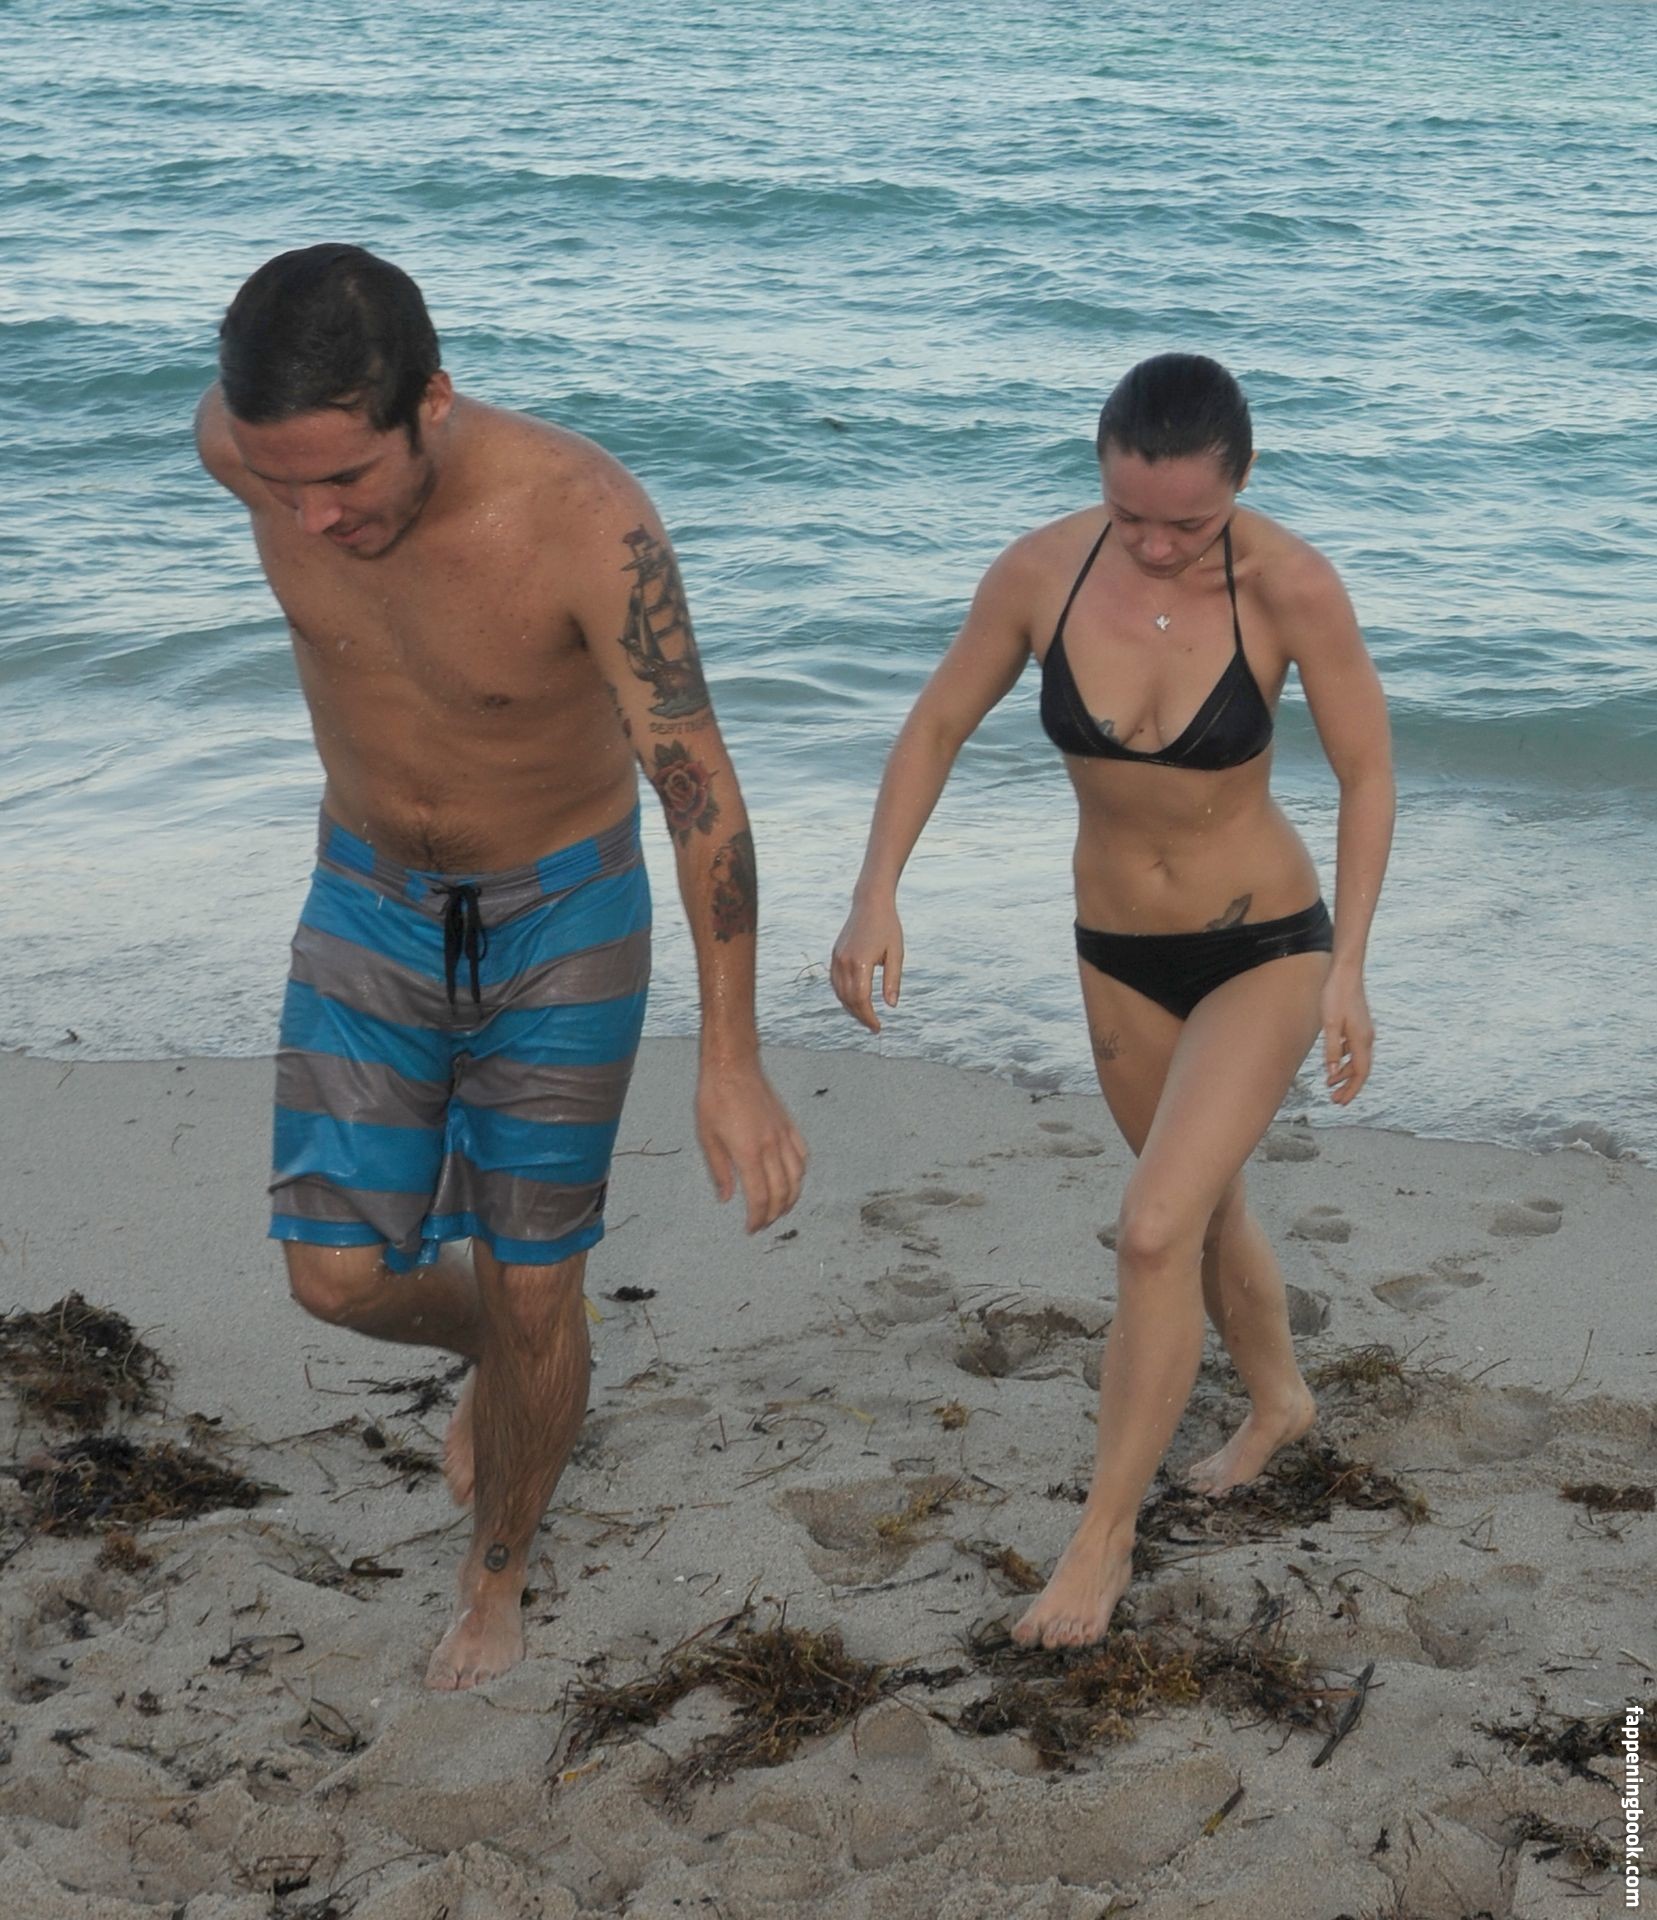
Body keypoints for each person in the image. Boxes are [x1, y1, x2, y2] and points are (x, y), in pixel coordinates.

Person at [196, 244, 807, 1689]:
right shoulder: (243, 446)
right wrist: (288, 479)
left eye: (346, 479)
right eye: (283, 486)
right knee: (336, 1279)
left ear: (434, 402)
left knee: (542, 1289)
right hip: (367, 902)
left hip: (561, 923)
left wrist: (731, 1059)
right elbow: (276, 466)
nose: (313, 516)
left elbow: (700, 792)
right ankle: (508, 1346)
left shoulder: (584, 523)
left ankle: (496, 1578)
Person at [832, 353, 1393, 1650]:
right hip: (1115, 951)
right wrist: (875, 893)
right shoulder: (1041, 573)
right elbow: (934, 725)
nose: (1153, 544)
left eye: (1186, 523)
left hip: (1262, 947)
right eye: (1129, 512)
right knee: (1198, 1207)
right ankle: (1278, 1402)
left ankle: (1101, 1538)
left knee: (1148, 1228)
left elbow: (1367, 774)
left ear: (1241, 481)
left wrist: (1351, 966)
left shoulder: (1291, 586)